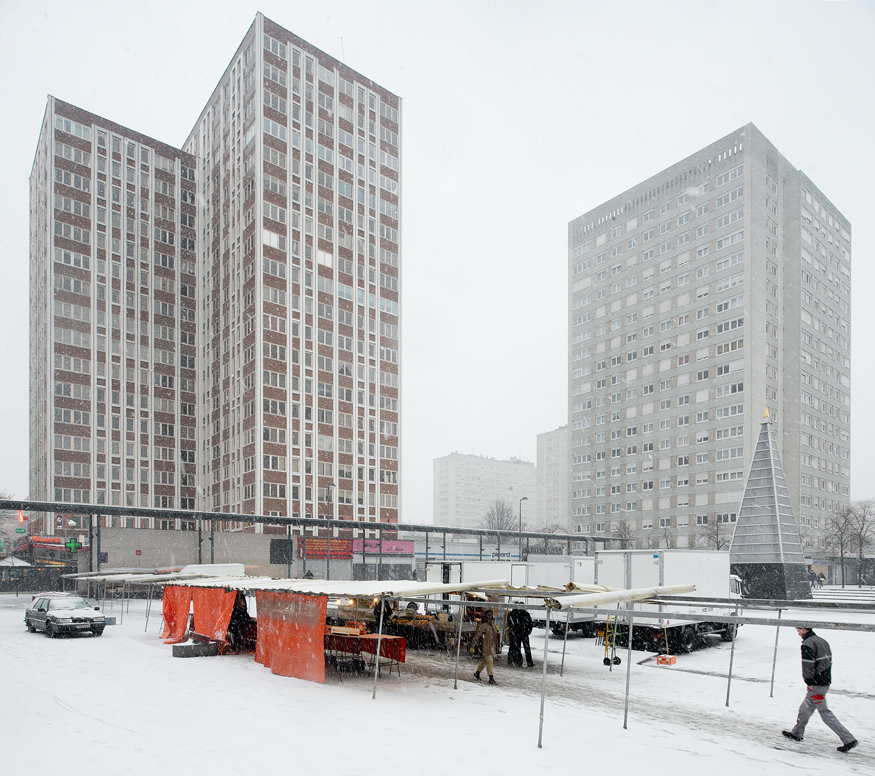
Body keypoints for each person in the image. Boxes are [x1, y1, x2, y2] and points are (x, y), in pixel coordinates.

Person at [782, 626, 857, 753]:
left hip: (816, 684)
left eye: (798, 630)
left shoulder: (807, 644)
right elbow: (826, 661)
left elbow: (807, 664)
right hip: (824, 681)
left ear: (804, 629)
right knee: (805, 708)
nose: (798, 633)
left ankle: (849, 739)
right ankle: (797, 733)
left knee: (825, 713)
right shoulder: (822, 641)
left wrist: (809, 681)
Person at [471, 609, 500, 685]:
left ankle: (477, 673)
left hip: (491, 645)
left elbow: (492, 633)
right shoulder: (483, 624)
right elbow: (477, 635)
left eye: (491, 615)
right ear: (485, 616)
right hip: (486, 645)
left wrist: (495, 629)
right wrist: (472, 646)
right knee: (489, 661)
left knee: (485, 661)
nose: (490, 616)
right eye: (488, 615)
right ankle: (491, 678)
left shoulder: (491, 623)